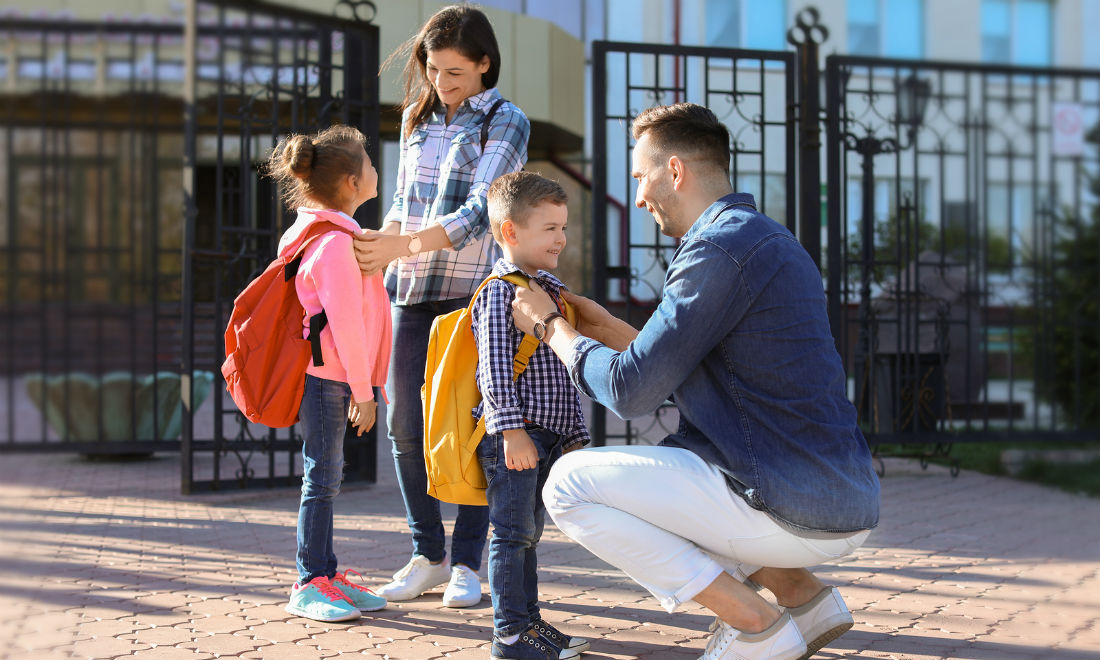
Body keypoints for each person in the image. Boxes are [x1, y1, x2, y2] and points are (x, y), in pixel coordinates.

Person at [511, 103, 881, 660]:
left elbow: (631, 393)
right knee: (668, 476)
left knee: (568, 485)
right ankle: (804, 597)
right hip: (839, 494)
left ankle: (755, 622)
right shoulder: (769, 240)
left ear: (676, 171)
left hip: (789, 500)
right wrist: (610, 329)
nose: (638, 197)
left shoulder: (716, 249)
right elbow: (698, 368)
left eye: (641, 177)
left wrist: (549, 327)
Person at [353, 5, 530, 608]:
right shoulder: (414, 118)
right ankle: (426, 554)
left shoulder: (507, 121)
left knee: (471, 426)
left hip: (472, 291)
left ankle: (467, 564)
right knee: (405, 424)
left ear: (484, 64)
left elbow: (483, 210)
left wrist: (404, 243)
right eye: (433, 69)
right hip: (410, 289)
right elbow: (404, 197)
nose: (442, 83)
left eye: (455, 72)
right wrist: (383, 250)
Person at [267, 125, 392, 623]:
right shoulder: (335, 244)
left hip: (327, 373)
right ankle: (308, 581)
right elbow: (345, 325)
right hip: (329, 377)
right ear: (350, 182)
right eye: (370, 163)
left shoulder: (316, 231)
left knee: (326, 476)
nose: (376, 170)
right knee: (321, 477)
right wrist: (363, 392)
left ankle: (325, 572)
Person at [473, 172, 591, 660]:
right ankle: (509, 635)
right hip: (515, 438)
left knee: (529, 535)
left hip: (545, 437)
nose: (561, 238)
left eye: (563, 227)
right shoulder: (501, 292)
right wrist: (511, 431)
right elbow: (494, 371)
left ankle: (531, 626)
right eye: (549, 228)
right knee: (511, 533)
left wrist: (575, 434)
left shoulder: (550, 290)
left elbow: (565, 371)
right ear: (510, 232)